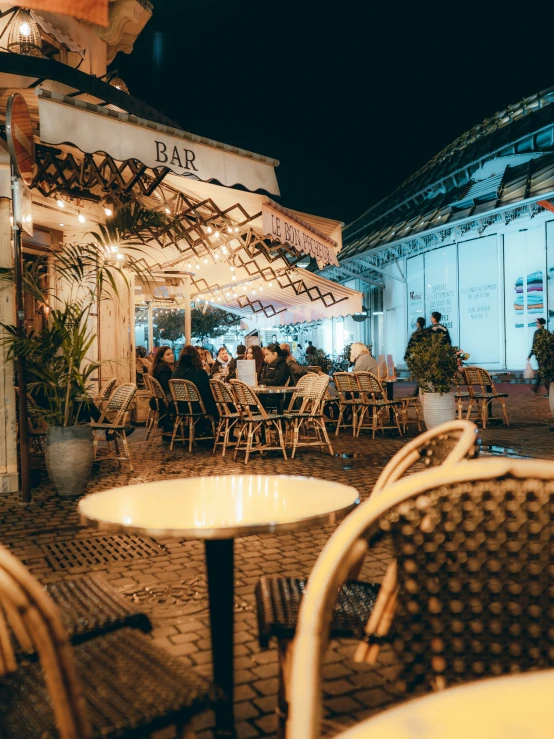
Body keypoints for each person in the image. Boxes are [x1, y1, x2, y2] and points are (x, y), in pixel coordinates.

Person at [172, 345, 218, 419]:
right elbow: (207, 393)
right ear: (196, 357)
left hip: (179, 406)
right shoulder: (199, 372)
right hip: (197, 407)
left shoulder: (175, 372)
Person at [404, 318, 427, 397]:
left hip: (418, 356)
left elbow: (411, 345)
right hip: (426, 356)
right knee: (423, 374)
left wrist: (407, 355)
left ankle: (417, 391)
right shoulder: (427, 333)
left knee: (420, 375)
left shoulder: (416, 334)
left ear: (418, 324)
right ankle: (418, 391)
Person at [528, 317, 550, 396]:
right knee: (543, 373)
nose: (536, 324)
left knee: (543, 373)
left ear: (540, 324)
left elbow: (534, 345)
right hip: (547, 357)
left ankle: (548, 391)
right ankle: (536, 389)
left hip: (540, 357)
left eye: (537, 323)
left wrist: (530, 355)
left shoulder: (537, 333)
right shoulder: (547, 332)